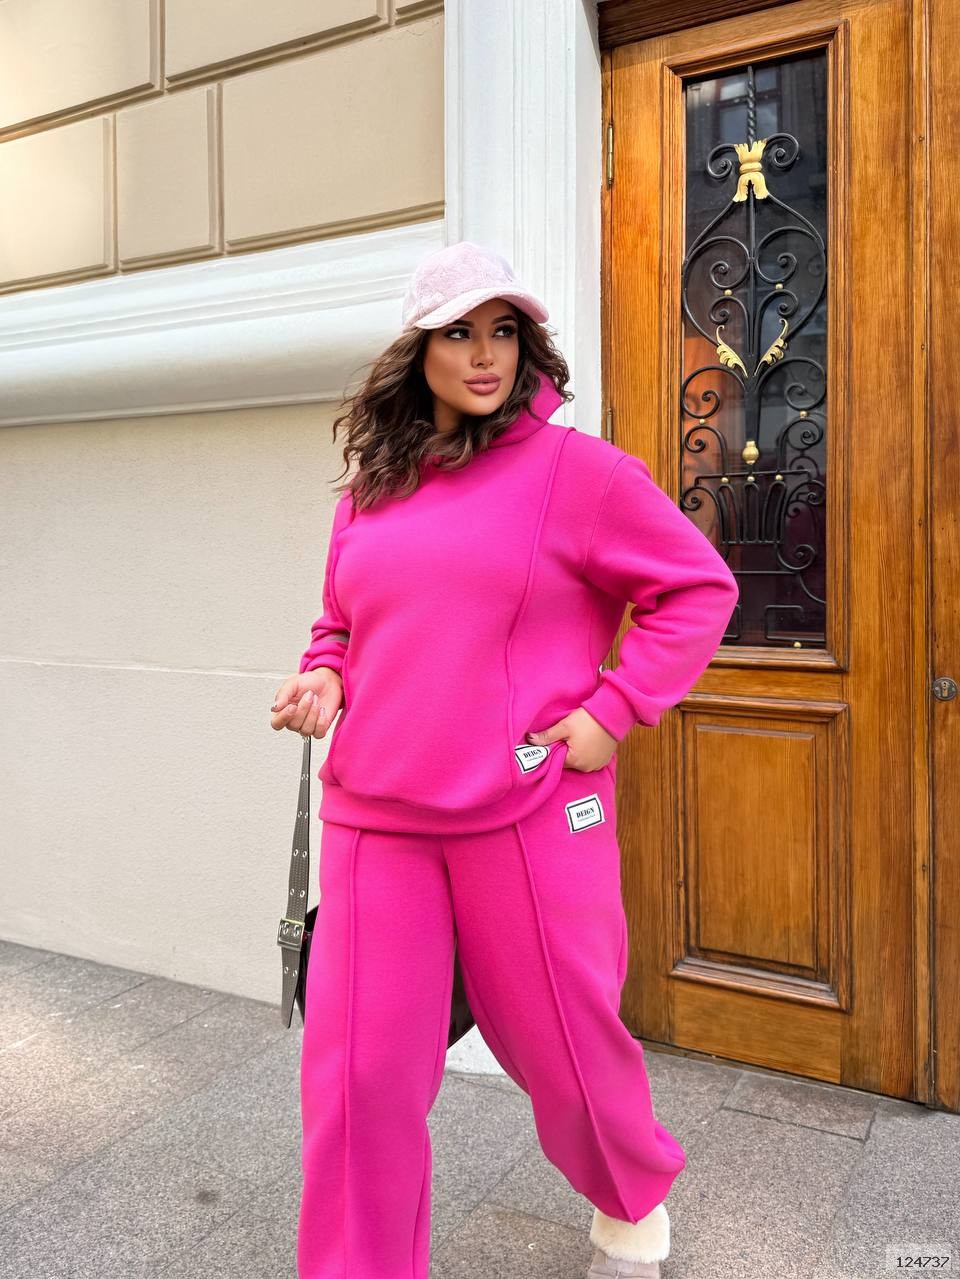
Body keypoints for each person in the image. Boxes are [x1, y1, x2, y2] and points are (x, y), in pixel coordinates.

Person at [270, 240, 740, 1279]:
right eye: (459, 333)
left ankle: (628, 1192)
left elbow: (696, 589)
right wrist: (324, 676)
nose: (485, 355)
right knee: (358, 1080)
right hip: (376, 816)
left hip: (526, 808)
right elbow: (340, 622)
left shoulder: (581, 474)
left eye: (504, 332)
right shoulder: (370, 491)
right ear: (418, 350)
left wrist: (616, 708)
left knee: (566, 1053)